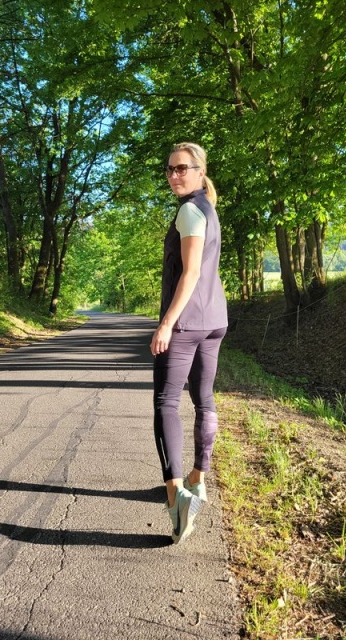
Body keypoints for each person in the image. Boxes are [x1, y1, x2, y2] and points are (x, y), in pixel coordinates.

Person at [150, 142, 228, 545]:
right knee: (204, 400)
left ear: (200, 171)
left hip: (186, 324)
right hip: (214, 321)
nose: (174, 175)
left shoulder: (189, 211)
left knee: (166, 403)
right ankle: (198, 479)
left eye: (182, 168)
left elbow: (192, 273)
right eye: (169, 169)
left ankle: (176, 498)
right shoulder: (208, 209)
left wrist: (166, 323)